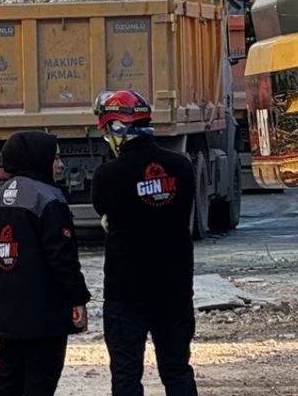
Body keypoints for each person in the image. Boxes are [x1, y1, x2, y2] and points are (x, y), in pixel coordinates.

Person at [90, 90, 197, 396]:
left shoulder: (108, 175)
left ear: (115, 129)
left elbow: (103, 209)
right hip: (175, 289)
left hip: (127, 291)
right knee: (177, 371)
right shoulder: (182, 166)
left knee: (126, 375)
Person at [0, 130, 90, 395]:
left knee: (8, 380)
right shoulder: (48, 199)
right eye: (56, 158)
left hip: (8, 313)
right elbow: (63, 259)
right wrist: (78, 298)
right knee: (40, 383)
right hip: (45, 316)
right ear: (38, 159)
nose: (60, 165)